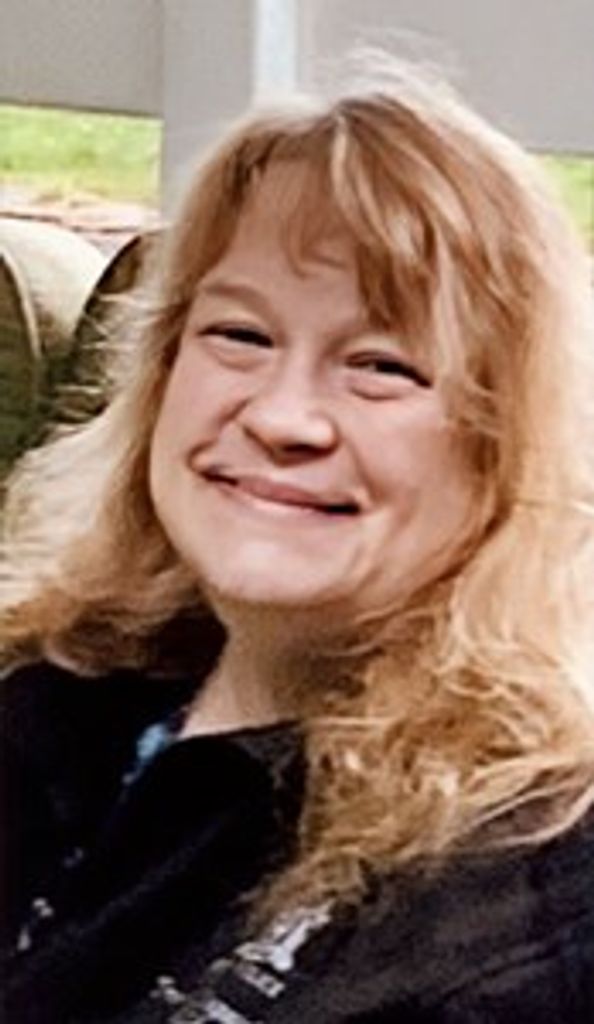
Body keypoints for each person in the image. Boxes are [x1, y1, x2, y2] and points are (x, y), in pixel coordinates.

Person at [1, 55, 594, 1023]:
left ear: (506, 447)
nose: (282, 416)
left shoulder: (517, 903)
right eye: (241, 335)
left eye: (382, 365)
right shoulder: (52, 687)